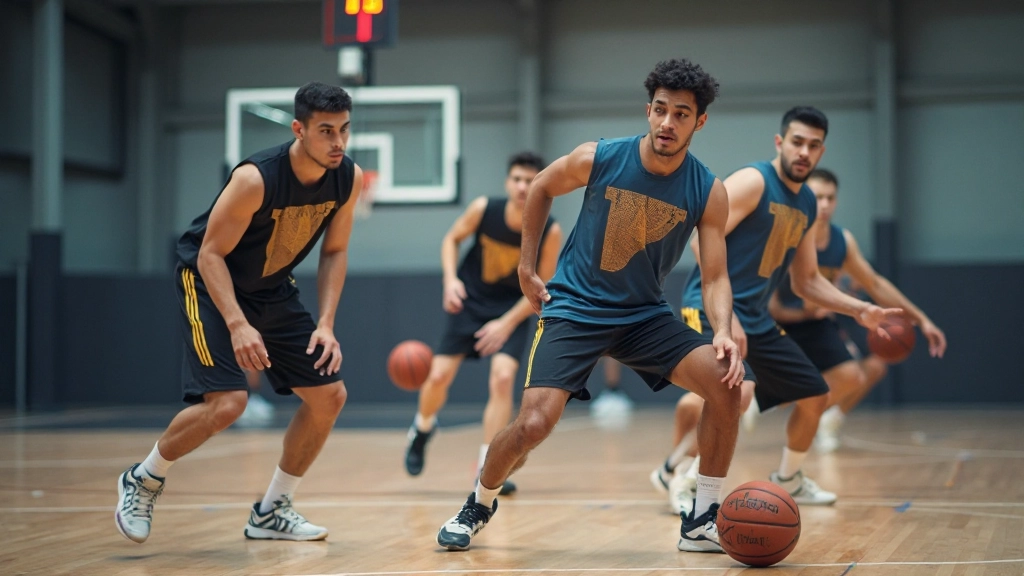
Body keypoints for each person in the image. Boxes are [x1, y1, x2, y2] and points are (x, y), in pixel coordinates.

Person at [434, 58, 744, 553]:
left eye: (681, 114)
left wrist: (723, 329)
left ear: (699, 121)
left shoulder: (708, 190)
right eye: (660, 110)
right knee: (534, 424)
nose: (667, 123)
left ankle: (702, 516)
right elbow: (540, 188)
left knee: (729, 386)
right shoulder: (598, 158)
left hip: (644, 315)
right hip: (575, 307)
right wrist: (526, 267)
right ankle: (479, 502)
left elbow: (715, 275)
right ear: (647, 110)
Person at [114, 82, 360, 544]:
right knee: (228, 404)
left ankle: (271, 510)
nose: (338, 142)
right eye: (326, 131)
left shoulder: (348, 177)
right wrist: (236, 324)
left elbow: (336, 250)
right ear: (298, 130)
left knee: (329, 396)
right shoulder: (256, 178)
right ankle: (143, 478)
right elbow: (209, 254)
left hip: (269, 288)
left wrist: (326, 322)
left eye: (344, 130)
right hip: (209, 281)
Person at [659, 106, 900, 517]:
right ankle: (684, 481)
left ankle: (788, 478)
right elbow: (703, 239)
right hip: (710, 305)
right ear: (780, 143)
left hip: (754, 316)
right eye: (797, 142)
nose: (804, 151)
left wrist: (858, 308)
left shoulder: (806, 202)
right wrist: (726, 317)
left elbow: (806, 280)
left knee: (815, 394)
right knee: (738, 390)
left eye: (813, 145)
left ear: (822, 151)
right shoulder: (754, 181)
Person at [404, 152, 563, 496]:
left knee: (503, 379)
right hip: (471, 301)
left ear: (540, 185)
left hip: (515, 307)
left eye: (530, 180)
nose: (522, 186)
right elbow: (451, 239)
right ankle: (423, 427)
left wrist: (505, 324)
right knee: (437, 376)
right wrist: (450, 280)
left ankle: (485, 466)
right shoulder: (483, 210)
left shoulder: (549, 229)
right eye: (517, 179)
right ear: (508, 182)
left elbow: (543, 286)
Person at [769, 168, 947, 452]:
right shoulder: (785, 238)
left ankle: (820, 420)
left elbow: (875, 283)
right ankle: (772, 398)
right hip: (780, 324)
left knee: (857, 374)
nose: (824, 204)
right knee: (757, 390)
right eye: (818, 197)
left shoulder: (842, 241)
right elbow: (771, 304)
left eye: (830, 198)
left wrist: (921, 319)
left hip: (819, 323)